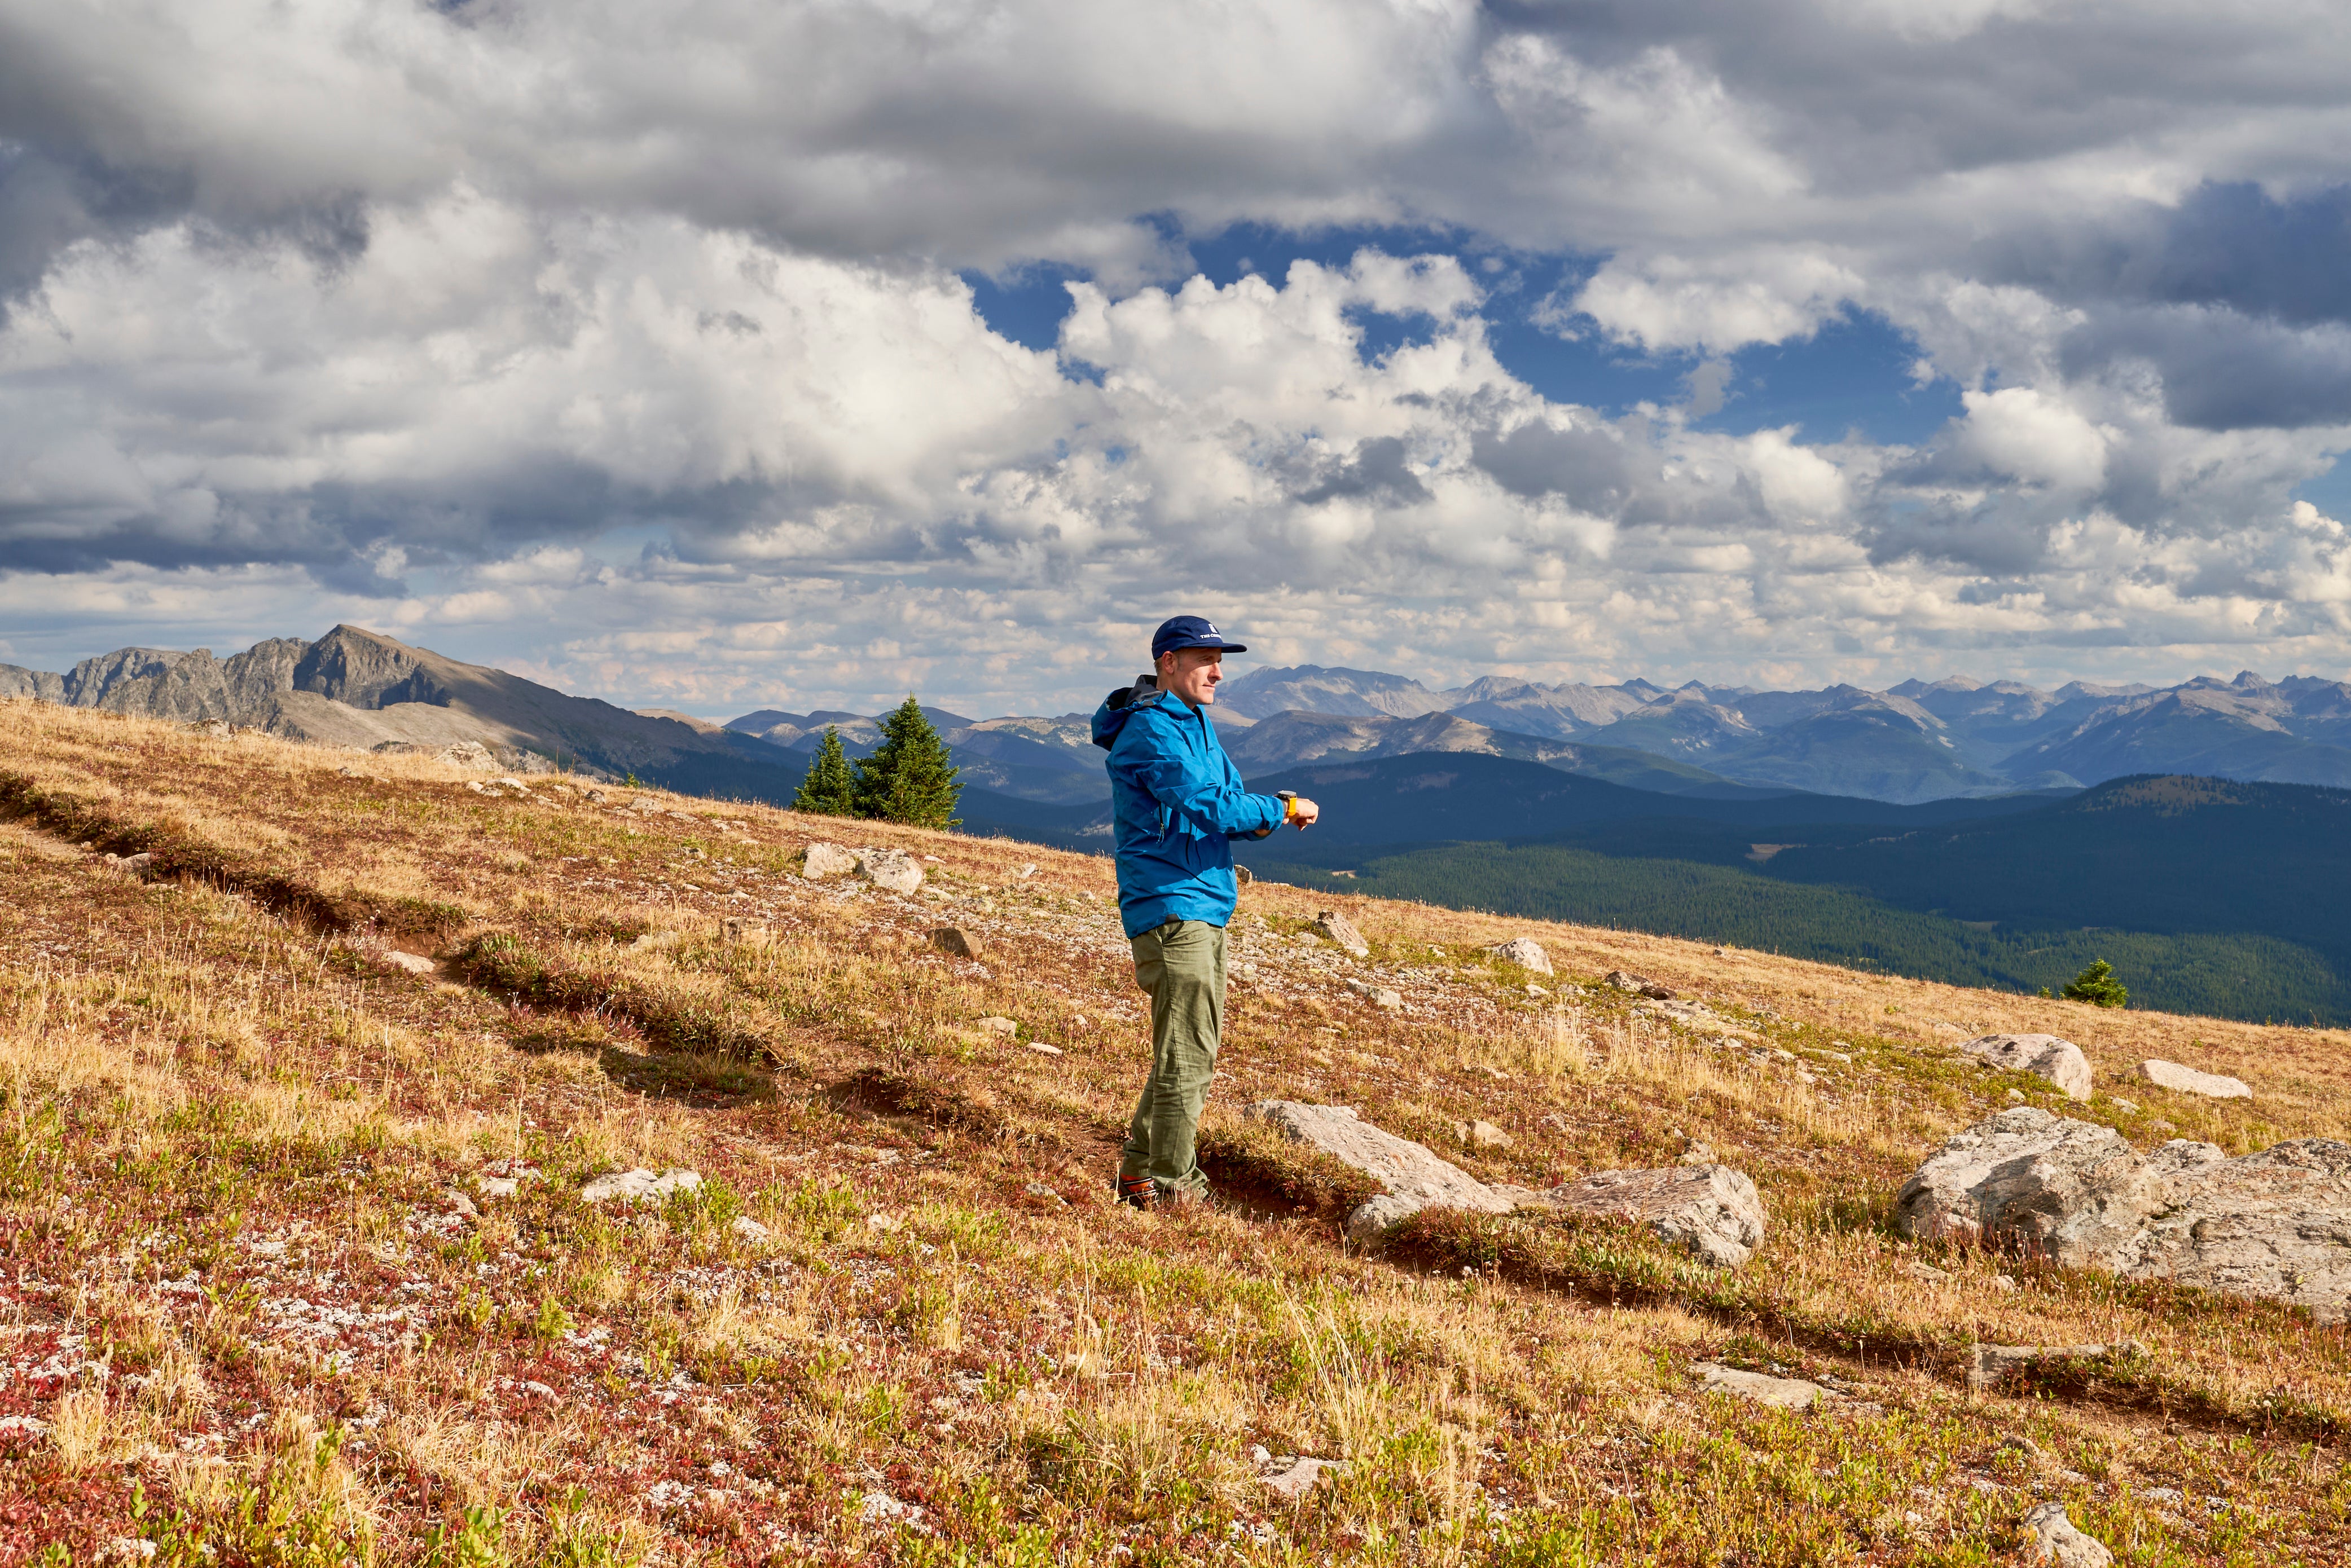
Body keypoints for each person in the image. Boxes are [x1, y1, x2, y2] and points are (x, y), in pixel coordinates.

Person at [1091, 615, 1319, 1210]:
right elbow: (1213, 806)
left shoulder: (1195, 723)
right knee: (1189, 1050)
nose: (1217, 670)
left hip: (1203, 900)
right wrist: (1282, 804)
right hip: (1173, 905)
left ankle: (1142, 1172)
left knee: (1188, 1048)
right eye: (1203, 658)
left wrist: (1273, 812)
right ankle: (1173, 1185)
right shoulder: (1152, 730)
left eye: (1220, 658)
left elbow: (1231, 805)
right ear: (1169, 662)